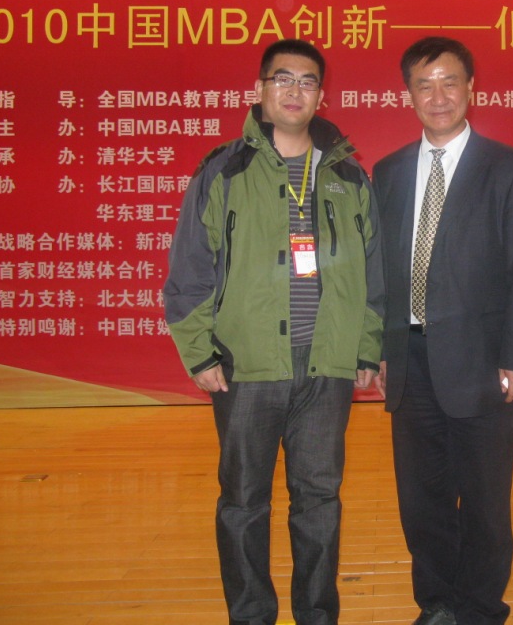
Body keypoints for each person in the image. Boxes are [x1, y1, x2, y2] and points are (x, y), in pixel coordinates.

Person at [163, 38, 384, 625]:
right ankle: (251, 615)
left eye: (307, 81)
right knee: (243, 502)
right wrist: (200, 352)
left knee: (319, 501)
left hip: (326, 368)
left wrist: (366, 348)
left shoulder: (347, 175)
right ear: (259, 90)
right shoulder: (224, 170)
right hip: (248, 366)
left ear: (321, 95)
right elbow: (189, 269)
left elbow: (373, 272)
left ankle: (318, 614)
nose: (294, 91)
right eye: (282, 79)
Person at [371, 36, 513, 625]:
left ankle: (479, 608)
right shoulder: (389, 172)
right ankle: (437, 602)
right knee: (421, 500)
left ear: (471, 88)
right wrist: (382, 350)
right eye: (424, 85)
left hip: (484, 361)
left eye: (450, 82)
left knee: (485, 502)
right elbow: (380, 273)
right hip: (410, 360)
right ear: (408, 95)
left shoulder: (510, 169)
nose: (438, 96)